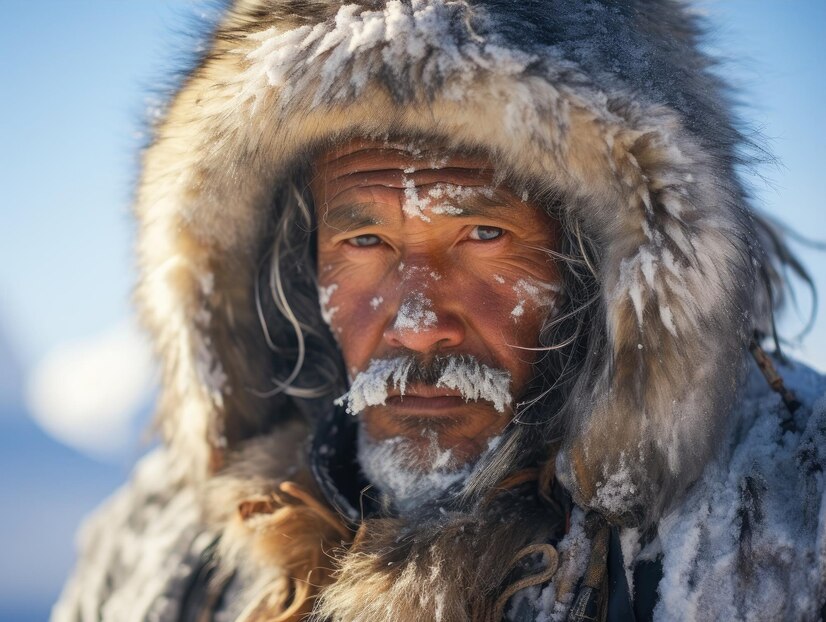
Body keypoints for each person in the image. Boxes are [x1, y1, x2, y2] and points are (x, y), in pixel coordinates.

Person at [53, 1, 826, 621]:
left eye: (482, 234)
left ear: (601, 264)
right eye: (366, 240)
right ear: (294, 264)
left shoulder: (792, 515)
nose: (419, 322)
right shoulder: (165, 550)